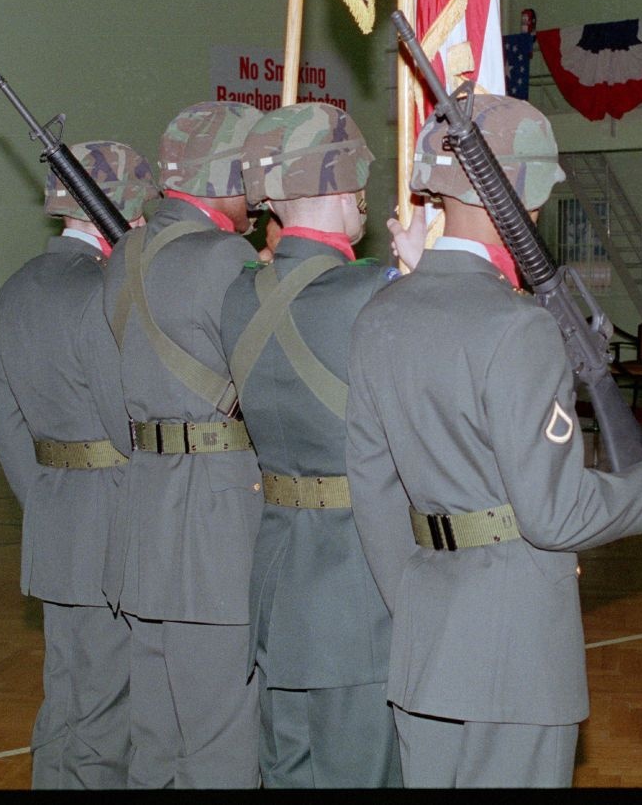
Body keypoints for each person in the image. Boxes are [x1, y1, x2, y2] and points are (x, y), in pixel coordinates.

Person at [345, 93, 642, 788]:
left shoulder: (382, 313)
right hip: (517, 653)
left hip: (425, 639)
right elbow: (553, 512)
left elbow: (374, 492)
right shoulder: (518, 327)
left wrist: (412, 601)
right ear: (525, 199)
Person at [217, 103, 401, 788]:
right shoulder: (374, 292)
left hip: (277, 582)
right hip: (355, 590)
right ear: (341, 185)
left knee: (287, 770)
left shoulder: (242, 294)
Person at [100, 101, 265, 788]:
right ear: (220, 174)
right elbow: (266, 389)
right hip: (216, 527)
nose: (258, 188)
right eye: (248, 171)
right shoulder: (228, 257)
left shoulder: (123, 255)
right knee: (223, 739)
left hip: (143, 518)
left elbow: (110, 406)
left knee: (157, 742)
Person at [0, 140, 157, 789]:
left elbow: (6, 420)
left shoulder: (16, 288)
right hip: (113, 521)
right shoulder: (107, 293)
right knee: (107, 715)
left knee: (64, 697)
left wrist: (46, 498)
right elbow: (129, 419)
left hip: (55, 516)